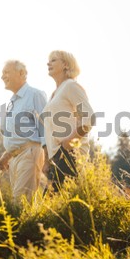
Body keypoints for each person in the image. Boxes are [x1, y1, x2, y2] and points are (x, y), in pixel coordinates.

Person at [42, 50, 95, 192]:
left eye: (53, 60)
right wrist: (47, 160)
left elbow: (89, 118)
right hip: (56, 157)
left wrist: (69, 142)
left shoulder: (71, 86)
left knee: (51, 204)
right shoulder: (54, 94)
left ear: (65, 64)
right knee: (56, 206)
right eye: (49, 60)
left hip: (70, 153)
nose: (48, 63)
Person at [0, 60, 47, 203]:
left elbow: (45, 128)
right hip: (15, 159)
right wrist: (7, 154)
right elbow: (17, 133)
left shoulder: (35, 95)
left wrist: (48, 159)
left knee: (19, 203)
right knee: (24, 205)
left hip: (30, 154)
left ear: (21, 73)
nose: (2, 77)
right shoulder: (13, 101)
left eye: (6, 72)